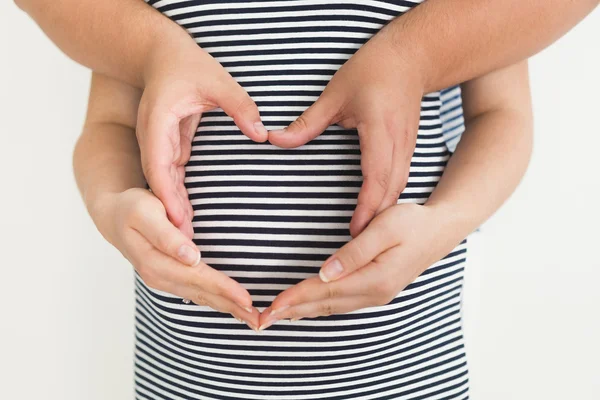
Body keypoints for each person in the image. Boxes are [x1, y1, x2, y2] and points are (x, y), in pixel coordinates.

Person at [69, 1, 537, 398]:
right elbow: (108, 121)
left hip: (400, 366)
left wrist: (444, 221)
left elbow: (502, 113)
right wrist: (112, 203)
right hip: (186, 370)